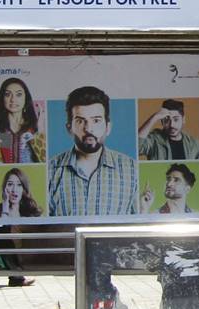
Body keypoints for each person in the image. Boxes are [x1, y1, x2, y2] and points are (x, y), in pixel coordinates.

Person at [47, 85, 138, 217]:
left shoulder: (131, 169)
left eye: (96, 120)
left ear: (108, 127)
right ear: (69, 128)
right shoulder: (50, 171)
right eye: (80, 121)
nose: (89, 129)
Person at [0, 167, 39, 287]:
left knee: (5, 241)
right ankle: (16, 277)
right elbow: (2, 224)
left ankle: (16, 277)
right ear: (5, 188)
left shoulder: (31, 209)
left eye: (19, 185)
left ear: (24, 188)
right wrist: (6, 206)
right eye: (10, 184)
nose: (14, 190)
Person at [0, 77, 46, 164]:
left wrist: (40, 129)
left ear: (25, 98)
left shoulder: (34, 127)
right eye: (7, 94)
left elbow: (43, 159)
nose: (13, 99)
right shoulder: (0, 129)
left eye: (18, 94)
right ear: (2, 98)